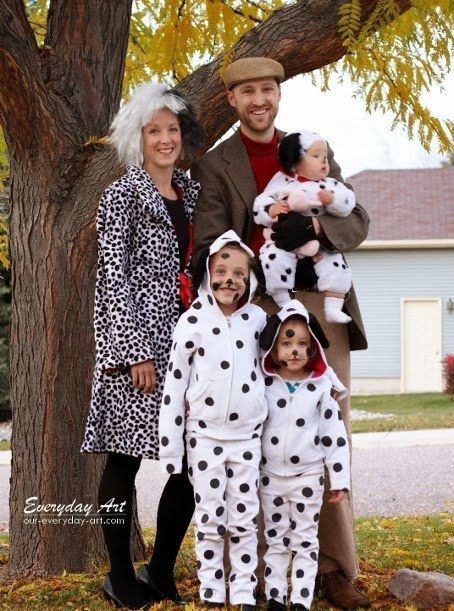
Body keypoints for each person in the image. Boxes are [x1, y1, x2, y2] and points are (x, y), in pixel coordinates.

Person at [191, 57, 371, 609]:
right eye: (248, 91)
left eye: (268, 89)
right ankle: (257, 573)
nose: (260, 99)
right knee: (255, 436)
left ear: (278, 94)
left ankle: (336, 569)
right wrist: (257, 242)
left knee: (327, 426)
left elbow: (357, 220)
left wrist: (313, 226)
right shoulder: (216, 164)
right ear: (232, 100)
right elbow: (207, 244)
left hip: (322, 302)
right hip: (257, 304)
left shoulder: (311, 147)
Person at [81, 81, 203, 609]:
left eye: (172, 129)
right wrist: (134, 350)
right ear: (137, 137)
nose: (165, 139)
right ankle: (118, 575)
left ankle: (161, 567)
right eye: (154, 130)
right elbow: (112, 276)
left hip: (189, 347)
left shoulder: (192, 193)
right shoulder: (122, 195)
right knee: (124, 463)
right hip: (137, 350)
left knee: (191, 460)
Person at [159, 230, 267, 610]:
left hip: (247, 439)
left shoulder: (258, 320)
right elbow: (174, 387)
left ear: (250, 280)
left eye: (239, 274)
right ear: (208, 272)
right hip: (203, 438)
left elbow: (275, 371)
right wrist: (170, 449)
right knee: (209, 518)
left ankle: (242, 589)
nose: (229, 280)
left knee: (245, 517)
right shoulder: (192, 321)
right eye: (222, 270)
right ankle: (211, 590)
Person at [258, 299, 350, 610]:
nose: (294, 350)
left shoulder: (320, 389)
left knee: (306, 539)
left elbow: (335, 437)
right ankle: (274, 596)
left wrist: (339, 480)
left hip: (308, 476)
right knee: (276, 539)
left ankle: (300, 599)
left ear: (312, 350)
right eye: (287, 343)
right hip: (270, 477)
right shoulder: (265, 386)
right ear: (273, 347)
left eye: (302, 344)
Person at [253, 129, 355, 322]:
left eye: (325, 156)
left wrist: (332, 200)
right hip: (283, 241)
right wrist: (272, 209)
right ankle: (284, 301)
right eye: (316, 156)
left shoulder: (330, 184)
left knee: (336, 266)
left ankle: (333, 307)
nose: (324, 161)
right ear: (296, 161)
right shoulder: (281, 181)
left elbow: (349, 203)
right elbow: (261, 202)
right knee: (273, 260)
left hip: (318, 245)